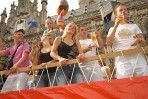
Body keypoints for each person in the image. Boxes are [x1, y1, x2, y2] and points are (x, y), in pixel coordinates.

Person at [106, 3, 147, 79]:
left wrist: (139, 40)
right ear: (115, 14)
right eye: (121, 10)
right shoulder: (111, 29)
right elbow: (108, 43)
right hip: (122, 61)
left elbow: (143, 43)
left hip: (138, 58)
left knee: (144, 82)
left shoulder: (134, 26)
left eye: (125, 9)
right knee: (125, 85)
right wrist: (115, 26)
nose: (124, 11)